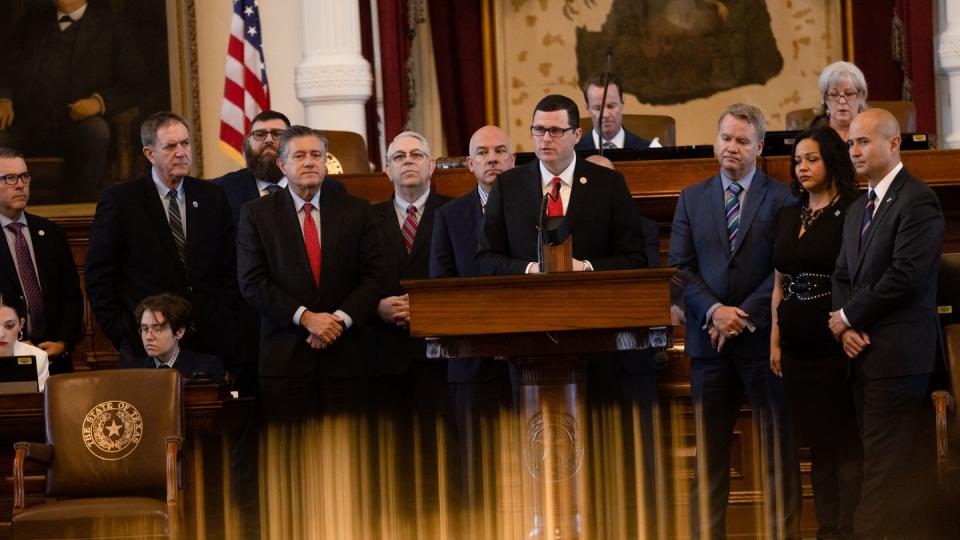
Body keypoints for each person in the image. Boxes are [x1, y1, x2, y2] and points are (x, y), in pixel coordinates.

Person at [668, 103, 799, 539]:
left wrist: (743, 316)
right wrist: (715, 312)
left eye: (742, 141)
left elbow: (786, 266)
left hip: (764, 344)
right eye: (726, 138)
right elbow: (680, 267)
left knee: (777, 451)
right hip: (709, 346)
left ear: (759, 147)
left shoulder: (782, 197)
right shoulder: (692, 197)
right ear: (715, 141)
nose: (732, 147)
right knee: (709, 457)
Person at [829, 108, 943, 538]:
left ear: (894, 144)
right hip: (861, 358)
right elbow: (843, 275)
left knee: (886, 475)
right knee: (879, 469)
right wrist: (846, 326)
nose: (853, 150)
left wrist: (848, 316)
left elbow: (905, 276)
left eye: (863, 141)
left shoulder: (918, 200)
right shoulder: (859, 207)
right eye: (850, 143)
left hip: (899, 360)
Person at [236, 125, 383, 412]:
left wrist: (337, 320)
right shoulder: (256, 214)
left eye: (317, 154)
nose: (309, 162)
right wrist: (305, 318)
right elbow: (252, 282)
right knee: (290, 454)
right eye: (299, 155)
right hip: (285, 360)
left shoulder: (356, 210)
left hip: (347, 358)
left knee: (351, 452)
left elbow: (375, 276)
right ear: (282, 164)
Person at [85, 112, 238, 366]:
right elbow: (99, 275)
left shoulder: (212, 196)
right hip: (146, 345)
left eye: (185, 144)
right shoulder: (121, 200)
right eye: (170, 146)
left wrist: (224, 316)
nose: (181, 152)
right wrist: (123, 333)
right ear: (149, 154)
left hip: (210, 342)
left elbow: (229, 266)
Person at [770, 126, 862, 539]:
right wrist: (774, 339)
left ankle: (848, 528)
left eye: (812, 159)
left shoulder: (854, 209)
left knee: (844, 442)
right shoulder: (789, 213)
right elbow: (779, 281)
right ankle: (826, 528)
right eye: (797, 161)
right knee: (816, 448)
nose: (802, 167)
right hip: (794, 349)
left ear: (832, 162)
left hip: (834, 345)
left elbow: (859, 278)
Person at [212, 110, 344, 397]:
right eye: (260, 134)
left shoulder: (332, 189)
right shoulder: (221, 191)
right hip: (244, 329)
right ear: (248, 142)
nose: (268, 140)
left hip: (319, 332)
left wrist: (315, 319)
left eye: (278, 135)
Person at [477, 94, 647, 275]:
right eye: (539, 130)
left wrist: (585, 267)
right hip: (527, 297)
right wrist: (531, 269)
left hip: (590, 296)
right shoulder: (507, 185)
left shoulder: (608, 184)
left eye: (556, 131)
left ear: (577, 135)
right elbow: (486, 259)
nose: (546, 138)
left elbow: (635, 257)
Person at [0, 0, 149, 202]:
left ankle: (75, 212)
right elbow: (6, 70)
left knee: (95, 131)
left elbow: (136, 82)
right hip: (27, 125)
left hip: (76, 126)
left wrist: (99, 102)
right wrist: (5, 98)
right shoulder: (30, 25)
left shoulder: (112, 26)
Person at [367, 131, 451, 376]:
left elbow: (464, 274)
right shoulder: (366, 218)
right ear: (388, 169)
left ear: (431, 165)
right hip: (383, 351)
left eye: (416, 155)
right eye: (399, 157)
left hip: (440, 349)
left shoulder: (455, 212)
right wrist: (375, 307)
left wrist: (425, 307)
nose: (408, 161)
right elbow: (355, 275)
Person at [0, 148, 83, 375]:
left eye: (24, 176)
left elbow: (72, 296)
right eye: (9, 178)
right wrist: (10, 346)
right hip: (5, 364)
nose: (20, 185)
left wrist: (64, 343)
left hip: (55, 360)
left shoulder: (51, 233)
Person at [430, 125, 514, 278]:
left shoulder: (534, 206)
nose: (492, 159)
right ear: (470, 164)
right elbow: (441, 281)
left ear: (513, 160)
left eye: (500, 151)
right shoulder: (448, 216)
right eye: (482, 153)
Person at [122, 293, 224, 382]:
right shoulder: (131, 370)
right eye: (145, 329)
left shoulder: (207, 367)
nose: (148, 337)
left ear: (179, 332)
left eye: (157, 329)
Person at [575, 72, 660, 151]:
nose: (605, 114)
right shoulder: (572, 153)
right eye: (597, 108)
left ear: (622, 102)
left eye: (611, 106)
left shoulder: (650, 149)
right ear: (587, 109)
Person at [0, 295, 48, 391]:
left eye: (9, 326)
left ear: (21, 324)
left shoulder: (38, 357)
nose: (1, 335)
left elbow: (40, 402)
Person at [811, 61, 868, 141]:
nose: (842, 101)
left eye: (849, 94)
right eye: (834, 94)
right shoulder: (814, 134)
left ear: (861, 97)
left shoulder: (873, 131)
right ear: (824, 99)